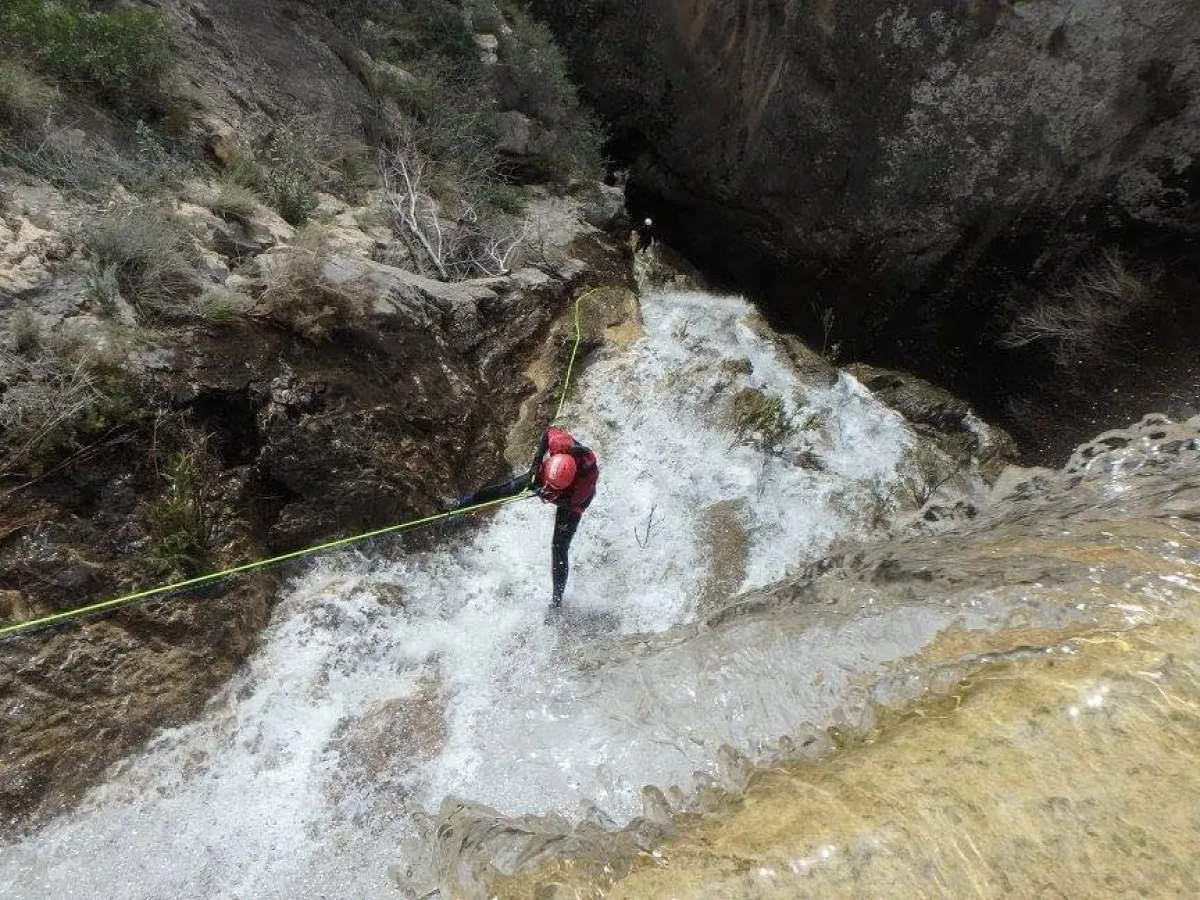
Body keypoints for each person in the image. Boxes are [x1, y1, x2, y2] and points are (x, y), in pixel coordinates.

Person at [456, 426, 599, 608]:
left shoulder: (582, 489)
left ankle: (557, 600)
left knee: (559, 547)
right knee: (509, 488)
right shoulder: (561, 445)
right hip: (554, 479)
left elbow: (575, 505)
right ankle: (466, 503)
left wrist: (549, 496)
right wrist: (535, 467)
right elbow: (549, 432)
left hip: (570, 502)